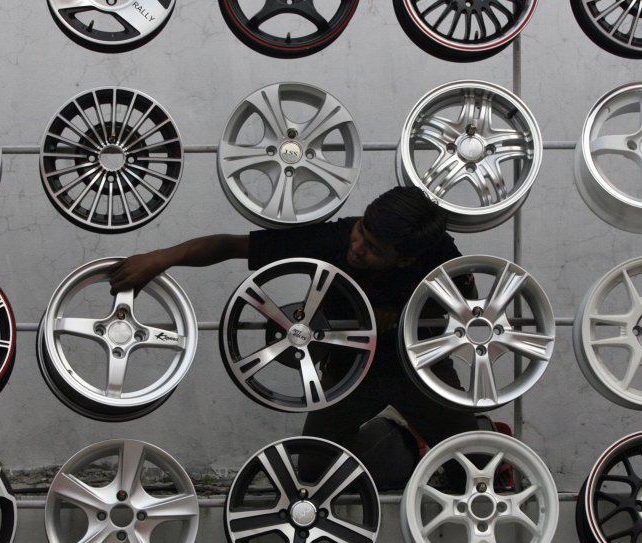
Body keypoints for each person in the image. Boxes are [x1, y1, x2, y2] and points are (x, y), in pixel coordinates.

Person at [109, 186, 485, 490]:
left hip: (419, 369)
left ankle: (473, 433)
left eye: (373, 250)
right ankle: (405, 442)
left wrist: (405, 314)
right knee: (312, 471)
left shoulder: (439, 256)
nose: (357, 247)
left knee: (478, 467)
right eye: (361, 232)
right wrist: (160, 258)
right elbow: (232, 246)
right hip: (350, 372)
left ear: (404, 260)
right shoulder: (334, 238)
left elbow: (471, 314)